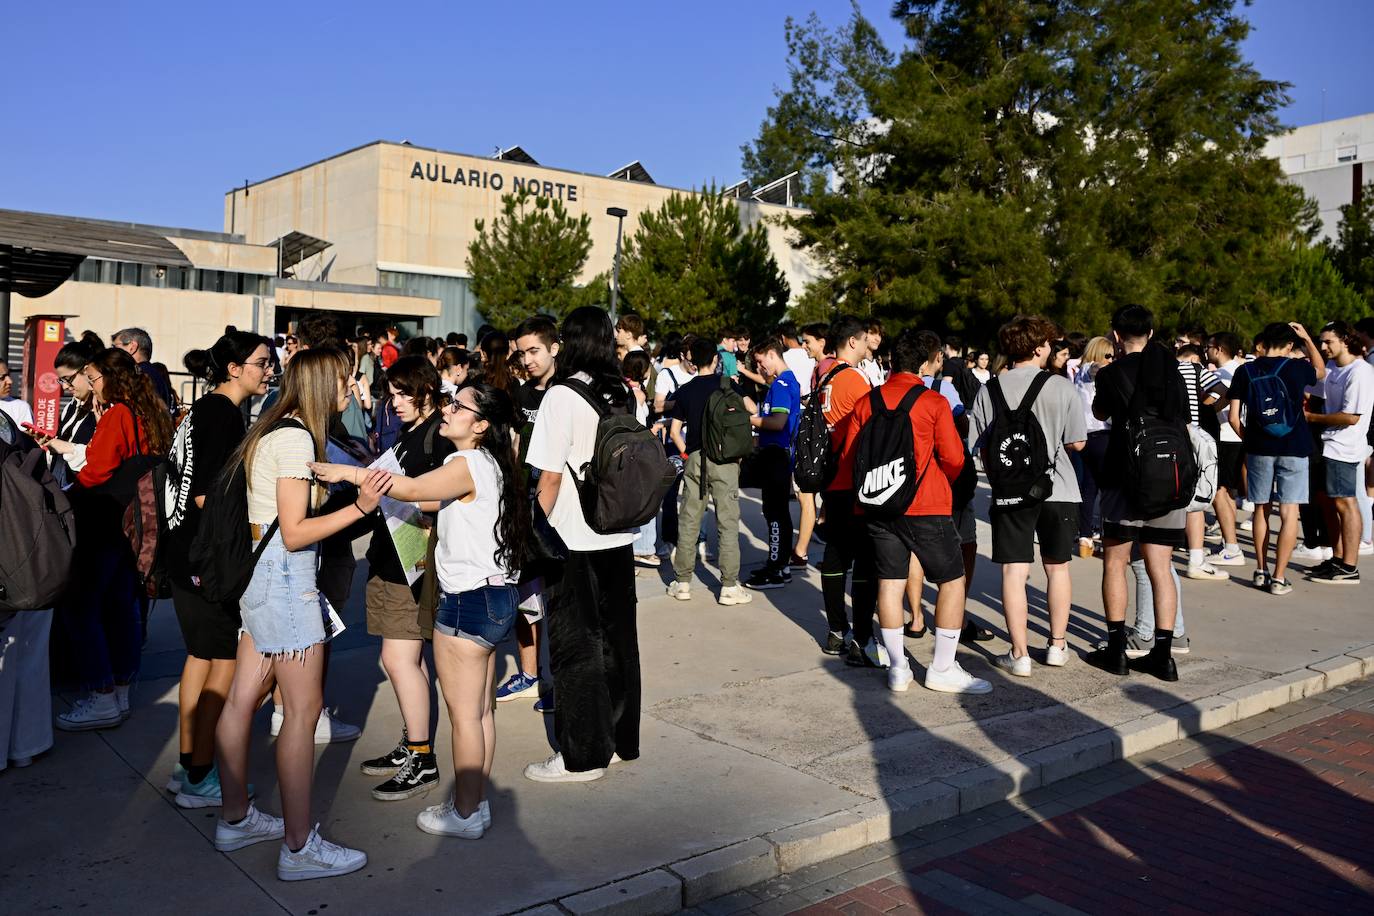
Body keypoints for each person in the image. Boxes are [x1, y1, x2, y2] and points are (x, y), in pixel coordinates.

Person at [312, 381, 528, 838]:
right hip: (492, 596)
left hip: (468, 600)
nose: (447, 410)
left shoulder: (465, 461)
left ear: (481, 424)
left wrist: (347, 473)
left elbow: (409, 486)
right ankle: (476, 803)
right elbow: (426, 497)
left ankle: (466, 812)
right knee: (481, 711)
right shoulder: (488, 463)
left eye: (459, 406)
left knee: (465, 716)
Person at [211, 349, 390, 879]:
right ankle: (298, 846)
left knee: (243, 699)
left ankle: (235, 816)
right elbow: (293, 532)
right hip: (286, 585)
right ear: (320, 384)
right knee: (302, 713)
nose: (352, 387)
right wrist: (359, 509)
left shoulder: (279, 430)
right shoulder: (292, 438)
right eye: (344, 378)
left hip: (262, 581)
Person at [523, 306, 641, 783]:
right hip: (619, 529)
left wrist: (536, 527)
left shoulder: (561, 395)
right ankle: (620, 742)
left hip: (574, 535)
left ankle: (582, 756)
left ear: (568, 343)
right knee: (618, 641)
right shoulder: (623, 392)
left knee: (575, 647)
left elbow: (548, 478)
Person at [844, 330, 993, 695]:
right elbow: (955, 459)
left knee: (890, 584)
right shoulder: (933, 402)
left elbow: (851, 456)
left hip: (878, 505)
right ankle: (941, 667)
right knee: (951, 580)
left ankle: (898, 669)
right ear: (927, 362)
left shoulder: (867, 401)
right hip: (926, 505)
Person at [163, 332, 274, 806]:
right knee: (224, 661)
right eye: (262, 363)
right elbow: (209, 494)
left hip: (181, 551)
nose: (270, 371)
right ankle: (201, 776)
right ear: (234, 368)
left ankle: (189, 764)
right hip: (203, 559)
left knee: (201, 657)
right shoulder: (223, 415)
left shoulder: (204, 409)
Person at [46, 348, 174, 728]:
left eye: (94, 376)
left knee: (81, 608)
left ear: (110, 378)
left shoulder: (118, 413)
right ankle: (118, 690)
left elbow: (97, 470)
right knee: (122, 607)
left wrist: (67, 489)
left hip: (103, 520)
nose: (91, 383)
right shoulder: (150, 412)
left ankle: (101, 695)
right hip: (131, 523)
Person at [352, 356, 454, 801]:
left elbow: (443, 497)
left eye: (400, 393)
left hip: (411, 562)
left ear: (426, 392)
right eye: (389, 394)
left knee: (399, 661)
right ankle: (411, 744)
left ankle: (421, 756)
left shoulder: (439, 437)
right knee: (399, 660)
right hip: (393, 555)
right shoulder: (415, 432)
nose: (392, 403)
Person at [968, 316, 1086, 677]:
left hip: (1010, 491)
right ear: (1038, 348)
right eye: (1049, 344)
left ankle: (1018, 654)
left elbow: (977, 445)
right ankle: (1057, 645)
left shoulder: (989, 390)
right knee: (1057, 567)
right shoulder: (1061, 387)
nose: (1051, 349)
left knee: (1014, 571)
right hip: (1059, 487)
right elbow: (1077, 442)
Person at [1086, 306, 1191, 681]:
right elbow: (1186, 419)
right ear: (1151, 331)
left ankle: (1116, 649)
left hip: (1123, 475)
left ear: (1115, 335)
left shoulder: (1112, 374)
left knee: (1115, 562)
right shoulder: (1173, 370)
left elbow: (1100, 414)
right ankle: (1162, 653)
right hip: (1169, 476)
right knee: (1160, 568)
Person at [1227, 322, 1325, 595]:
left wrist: (1251, 440)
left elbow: (1234, 417)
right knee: (1289, 512)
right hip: (1295, 446)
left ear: (1263, 341)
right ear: (1290, 345)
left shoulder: (1244, 370)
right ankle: (1279, 578)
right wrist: (1307, 337)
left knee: (1261, 509)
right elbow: (1321, 371)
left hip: (1259, 447)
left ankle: (1260, 570)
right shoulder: (1296, 368)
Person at [495, 316, 561, 712]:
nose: (528, 359)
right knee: (523, 597)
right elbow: (515, 447)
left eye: (534, 350)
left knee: (556, 603)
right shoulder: (521, 396)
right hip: (522, 509)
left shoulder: (568, 392)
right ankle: (529, 674)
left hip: (558, 515)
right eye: (522, 352)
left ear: (555, 347)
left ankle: (557, 680)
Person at [667, 338, 753, 606]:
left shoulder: (685, 390)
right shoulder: (728, 385)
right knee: (728, 522)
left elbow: (673, 431)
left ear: (692, 360)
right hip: (725, 462)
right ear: (715, 360)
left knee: (690, 519)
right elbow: (750, 409)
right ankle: (729, 586)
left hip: (695, 459)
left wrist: (686, 452)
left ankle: (682, 582)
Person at [818, 316, 882, 665]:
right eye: (865, 339)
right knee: (864, 559)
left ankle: (836, 630)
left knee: (836, 553)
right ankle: (862, 636)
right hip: (853, 477)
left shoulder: (825, 376)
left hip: (831, 477)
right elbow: (874, 424)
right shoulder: (855, 379)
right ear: (854, 342)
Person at [1304, 321, 1372, 584]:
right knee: (1329, 503)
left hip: (1344, 447)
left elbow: (1351, 417)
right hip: (1328, 444)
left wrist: (1311, 417)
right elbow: (1313, 382)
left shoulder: (1360, 372)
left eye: (1328, 341)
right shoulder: (1332, 367)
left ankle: (1349, 567)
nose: (1323, 346)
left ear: (1345, 340)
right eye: (1320, 341)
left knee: (1346, 503)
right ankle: (1337, 558)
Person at [743, 337, 802, 590]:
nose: (759, 368)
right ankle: (781, 565)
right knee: (778, 512)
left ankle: (776, 567)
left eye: (759, 362)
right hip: (778, 454)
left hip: (776, 456)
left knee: (774, 514)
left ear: (771, 354)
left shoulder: (780, 385)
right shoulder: (787, 382)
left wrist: (750, 420)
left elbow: (777, 423)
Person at [1205, 332, 1248, 568]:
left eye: (1208, 347)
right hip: (1237, 436)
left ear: (1219, 349)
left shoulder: (1222, 375)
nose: (1206, 351)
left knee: (1219, 491)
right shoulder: (1241, 370)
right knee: (1228, 492)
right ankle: (1229, 543)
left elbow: (1213, 405)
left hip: (1225, 436)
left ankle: (1231, 547)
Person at [1071, 336, 1114, 557]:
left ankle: (1085, 536)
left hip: (1085, 436)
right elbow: (1097, 368)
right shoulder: (1090, 368)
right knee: (1108, 490)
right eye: (1109, 355)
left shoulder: (1079, 373)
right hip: (1102, 434)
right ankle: (1109, 538)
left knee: (1089, 488)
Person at [113, 327, 175, 410]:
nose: (112, 352)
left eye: (115, 347)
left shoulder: (138, 375)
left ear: (132, 347)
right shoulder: (154, 373)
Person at [778, 320, 816, 399]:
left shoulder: (783, 357)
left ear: (783, 337)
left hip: (791, 403)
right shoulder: (811, 354)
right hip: (808, 403)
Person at [0, 361, 33, 429]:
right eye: (2, 378)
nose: (10, 381)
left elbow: (25, 438)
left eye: (8, 375)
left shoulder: (20, 407)